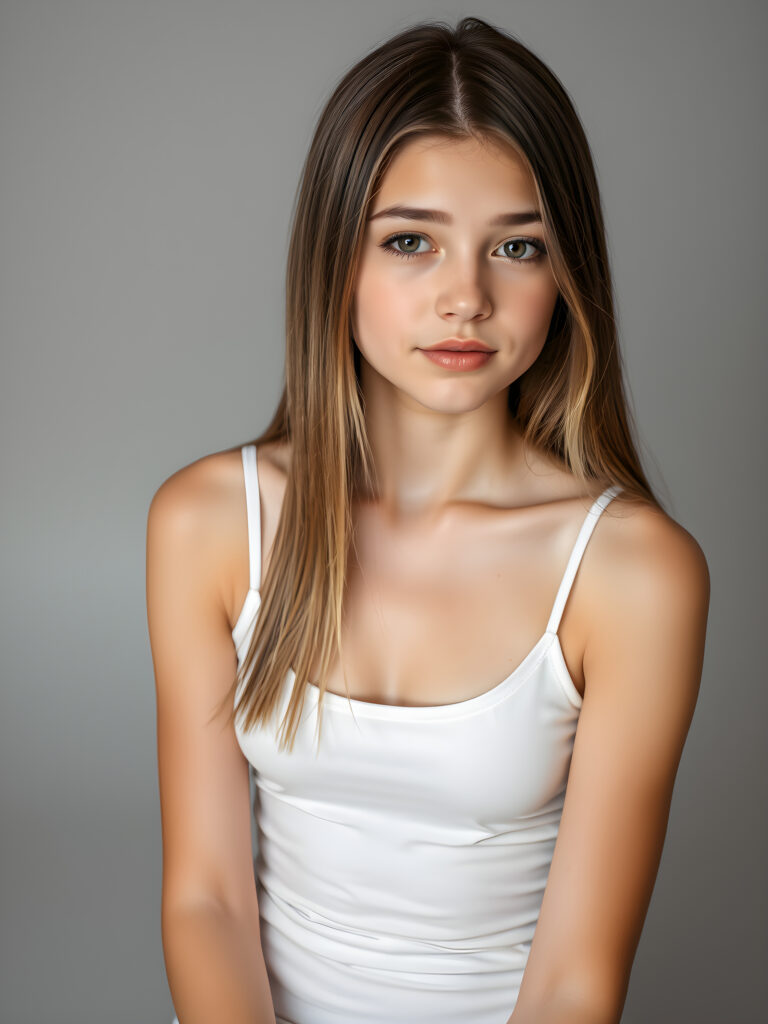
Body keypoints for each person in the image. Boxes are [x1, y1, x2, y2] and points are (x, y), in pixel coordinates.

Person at [146, 16, 710, 1024]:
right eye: (411, 240)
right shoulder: (206, 523)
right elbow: (206, 900)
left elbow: (577, 977)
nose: (467, 297)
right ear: (336, 261)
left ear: (565, 277)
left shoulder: (631, 573)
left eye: (518, 246)